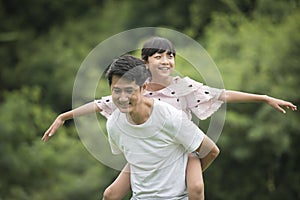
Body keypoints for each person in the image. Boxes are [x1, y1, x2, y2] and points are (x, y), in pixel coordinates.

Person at [42, 37, 297, 199]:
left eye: (170, 56)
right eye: (158, 56)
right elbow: (100, 104)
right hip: (148, 151)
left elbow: (222, 94)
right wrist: (65, 116)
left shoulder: (183, 86)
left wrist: (263, 97)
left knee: (195, 190)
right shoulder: (132, 90)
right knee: (111, 194)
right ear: (144, 63)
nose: (166, 60)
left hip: (182, 149)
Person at [106, 55, 219, 199]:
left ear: (144, 88)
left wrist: (186, 176)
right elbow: (136, 161)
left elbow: (211, 151)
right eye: (117, 91)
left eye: (129, 91)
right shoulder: (114, 125)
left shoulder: (169, 117)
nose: (122, 98)